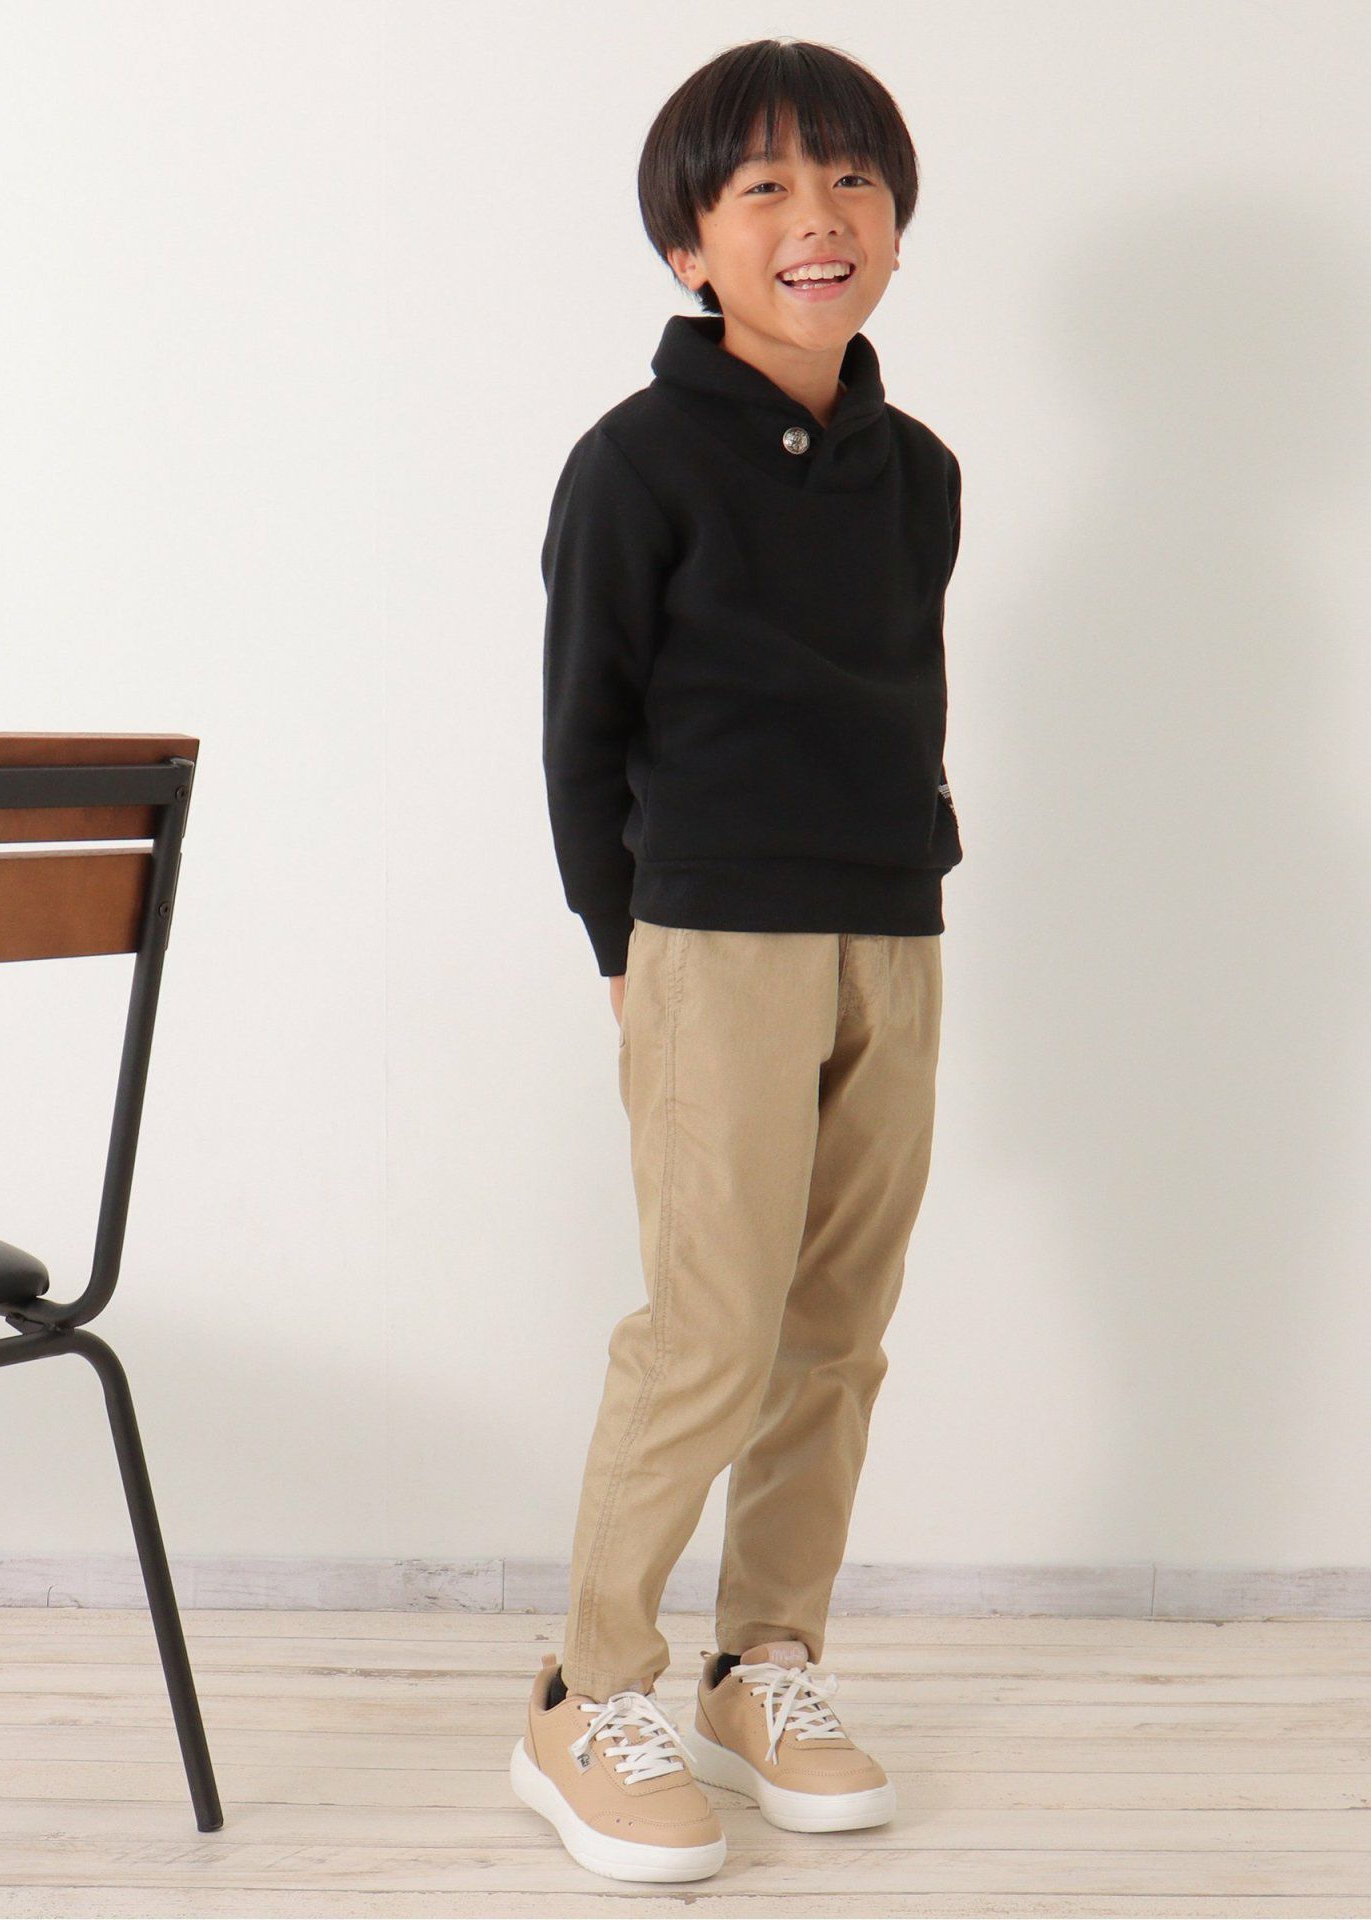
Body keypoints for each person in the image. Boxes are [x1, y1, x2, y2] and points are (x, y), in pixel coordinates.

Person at [509, 36, 965, 1884]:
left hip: (893, 927)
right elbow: (581, 729)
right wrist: (621, 943)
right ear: (689, 246)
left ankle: (763, 1659)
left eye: (851, 178)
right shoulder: (634, 464)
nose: (817, 216)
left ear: (896, 221)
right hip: (710, 935)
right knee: (708, 1329)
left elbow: (903, 696)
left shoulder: (918, 472)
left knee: (837, 1329)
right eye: (764, 186)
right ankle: (586, 1689)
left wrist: (909, 887)